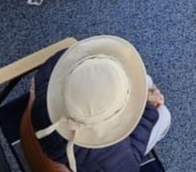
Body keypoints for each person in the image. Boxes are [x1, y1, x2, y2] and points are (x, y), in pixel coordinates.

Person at [20, 35, 171, 172]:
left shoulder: (59, 64)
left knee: (146, 82)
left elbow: (40, 77)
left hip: (41, 120)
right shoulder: (111, 157)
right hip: (93, 159)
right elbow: (132, 155)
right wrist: (150, 109)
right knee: (163, 115)